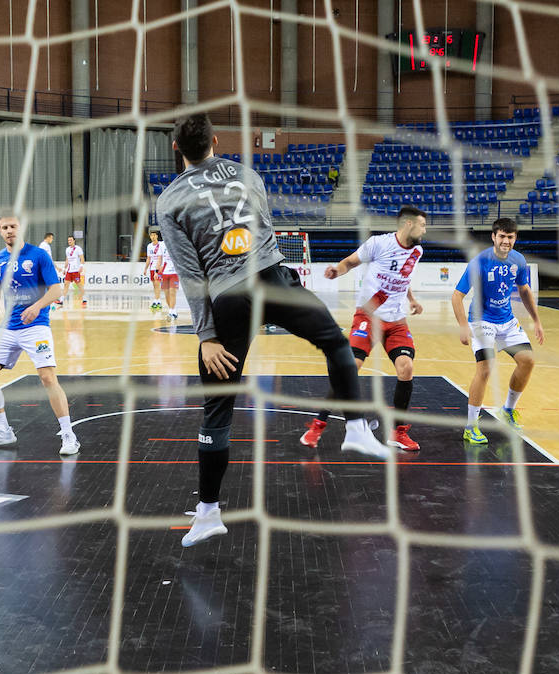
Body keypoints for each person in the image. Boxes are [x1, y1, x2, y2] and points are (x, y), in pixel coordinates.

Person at [155, 113, 391, 548]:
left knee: (218, 409)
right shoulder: (248, 176)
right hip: (273, 278)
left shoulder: (168, 202)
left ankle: (208, 512)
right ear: (215, 141)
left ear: (176, 148)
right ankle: (356, 426)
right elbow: (262, 230)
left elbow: (191, 276)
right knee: (337, 343)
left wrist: (206, 336)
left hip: (228, 298)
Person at [301, 207, 428, 452]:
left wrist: (411, 299)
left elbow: (405, 276)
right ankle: (317, 426)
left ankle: (397, 433)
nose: (425, 230)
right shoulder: (378, 244)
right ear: (409, 224)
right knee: (350, 368)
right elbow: (350, 262)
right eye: (422, 225)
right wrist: (337, 271)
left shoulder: (417, 250)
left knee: (406, 367)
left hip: (396, 320)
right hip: (368, 315)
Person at [0, 214, 79, 456]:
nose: (9, 230)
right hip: (8, 328)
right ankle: (2, 431)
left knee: (47, 378)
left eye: (13, 226)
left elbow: (56, 290)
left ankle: (68, 435)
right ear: (0, 231)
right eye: (5, 227)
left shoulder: (38, 255)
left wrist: (37, 306)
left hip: (36, 326)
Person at [451, 217, 545, 445]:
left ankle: (507, 411)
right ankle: (471, 426)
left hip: (507, 320)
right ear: (494, 237)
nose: (506, 241)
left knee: (528, 361)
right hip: (481, 321)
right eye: (502, 236)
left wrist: (536, 320)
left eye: (510, 237)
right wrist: (464, 326)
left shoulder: (518, 260)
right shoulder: (480, 261)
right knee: (485, 368)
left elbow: (524, 290)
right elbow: (457, 296)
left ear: (515, 239)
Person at [62, 235, 86, 307]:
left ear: (74, 241)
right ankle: (61, 300)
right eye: (68, 240)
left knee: (79, 285)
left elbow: (82, 259)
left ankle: (84, 299)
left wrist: (81, 266)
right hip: (69, 271)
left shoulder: (78, 248)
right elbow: (67, 260)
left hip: (76, 271)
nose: (69, 241)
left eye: (71, 240)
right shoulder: (67, 249)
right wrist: (64, 269)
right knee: (66, 285)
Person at [145, 230, 166, 310]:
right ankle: (157, 300)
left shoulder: (161, 244)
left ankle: (157, 301)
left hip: (159, 268)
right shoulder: (149, 246)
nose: (153, 237)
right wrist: (145, 268)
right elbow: (148, 258)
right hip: (152, 268)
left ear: (157, 236)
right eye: (151, 235)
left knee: (157, 284)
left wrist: (162, 266)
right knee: (154, 285)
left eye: (154, 235)